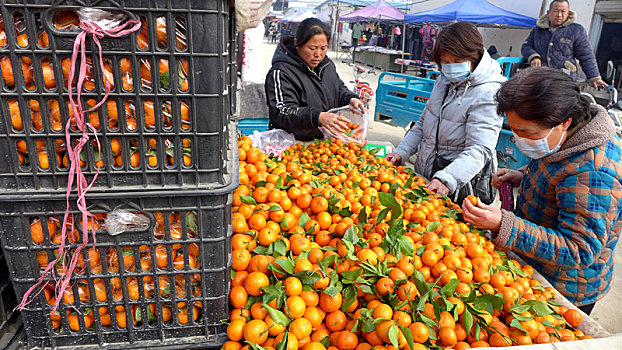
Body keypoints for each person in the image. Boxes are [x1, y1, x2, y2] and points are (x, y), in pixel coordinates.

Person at [462, 67, 622, 314]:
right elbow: (560, 170)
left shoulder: (595, 173)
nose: (517, 139)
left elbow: (579, 249)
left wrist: (504, 225)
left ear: (564, 122)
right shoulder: (565, 137)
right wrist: (525, 175)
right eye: (514, 130)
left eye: (526, 133)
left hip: (564, 289)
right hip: (534, 266)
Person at [385, 22, 506, 204]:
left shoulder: (488, 92)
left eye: (457, 62)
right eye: (445, 62)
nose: (450, 68)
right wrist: (401, 152)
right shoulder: (443, 80)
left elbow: (480, 149)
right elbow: (423, 122)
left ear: (474, 56)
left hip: (462, 184)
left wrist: (446, 178)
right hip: (429, 173)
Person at [264, 18, 366, 141]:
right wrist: (317, 117)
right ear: (297, 43)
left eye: (323, 48)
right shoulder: (281, 72)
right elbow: (281, 111)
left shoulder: (327, 65)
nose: (318, 54)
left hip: (324, 144)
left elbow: (338, 87)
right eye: (312, 48)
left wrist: (350, 98)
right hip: (292, 144)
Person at [521, 0, 607, 89]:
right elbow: (526, 46)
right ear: (548, 13)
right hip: (541, 78)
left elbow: (586, 55)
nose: (559, 15)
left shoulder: (576, 30)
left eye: (563, 11)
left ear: (568, 13)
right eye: (555, 11)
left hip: (565, 80)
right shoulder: (538, 30)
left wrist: (594, 76)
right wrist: (533, 56)